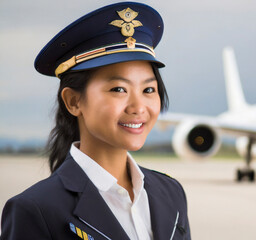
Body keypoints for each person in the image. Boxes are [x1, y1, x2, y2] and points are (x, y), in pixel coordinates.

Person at [0, 2, 190, 240]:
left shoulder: (171, 193)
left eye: (149, 89)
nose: (138, 107)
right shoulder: (36, 210)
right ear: (73, 101)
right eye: (119, 89)